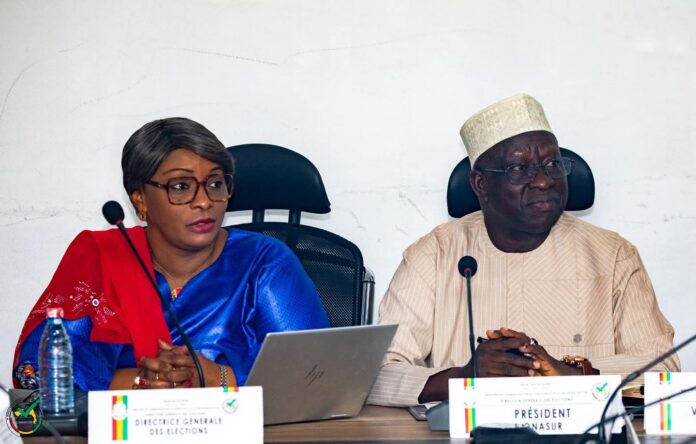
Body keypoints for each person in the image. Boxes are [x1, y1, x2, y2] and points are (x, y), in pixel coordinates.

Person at [367, 94, 680, 406]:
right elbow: (376, 374)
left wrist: (571, 374)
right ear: (480, 184)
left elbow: (662, 367)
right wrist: (464, 377)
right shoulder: (433, 255)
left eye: (553, 164)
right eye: (519, 168)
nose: (543, 181)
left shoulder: (612, 256)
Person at [13, 117, 329, 391]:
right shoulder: (102, 260)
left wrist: (216, 377)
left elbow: (317, 376)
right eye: (181, 186)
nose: (204, 201)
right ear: (140, 199)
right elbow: (35, 375)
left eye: (215, 184)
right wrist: (141, 382)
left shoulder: (264, 263)